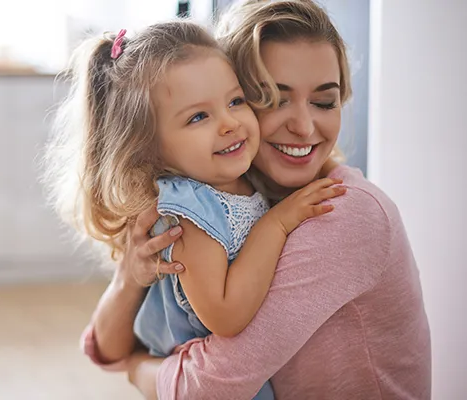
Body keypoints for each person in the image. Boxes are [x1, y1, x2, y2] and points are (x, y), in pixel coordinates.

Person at [82, 1, 432, 399]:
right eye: (273, 98)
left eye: (324, 101)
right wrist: (130, 277)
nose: (303, 127)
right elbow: (105, 347)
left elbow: (203, 388)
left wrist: (136, 369)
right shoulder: (216, 196)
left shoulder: (342, 213)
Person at [44, 15, 346, 400]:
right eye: (198, 116)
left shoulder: (239, 177)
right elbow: (225, 317)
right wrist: (278, 223)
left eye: (235, 101)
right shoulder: (190, 215)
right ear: (149, 149)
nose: (229, 123)